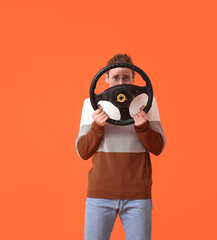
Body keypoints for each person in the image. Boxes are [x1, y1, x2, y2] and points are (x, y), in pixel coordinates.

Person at [75, 54, 166, 240]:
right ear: (106, 78)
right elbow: (83, 151)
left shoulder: (147, 103)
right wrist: (97, 127)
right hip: (99, 194)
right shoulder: (91, 104)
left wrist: (144, 128)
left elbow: (158, 147)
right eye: (116, 77)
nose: (121, 82)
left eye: (126, 77)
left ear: (134, 78)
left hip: (138, 196)